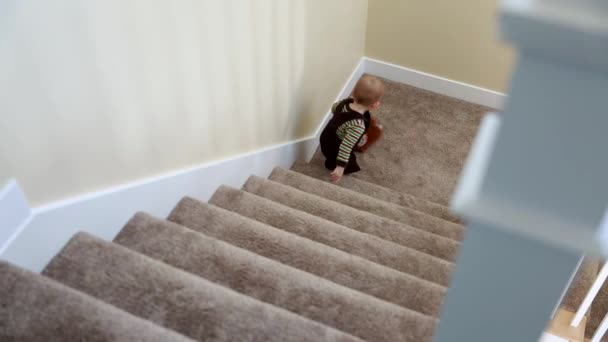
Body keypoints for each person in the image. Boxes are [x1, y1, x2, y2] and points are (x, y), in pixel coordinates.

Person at [320, 75, 385, 183]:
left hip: (327, 135)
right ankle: (332, 165)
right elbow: (345, 147)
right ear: (374, 105)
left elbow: (334, 108)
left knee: (346, 139)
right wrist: (340, 167)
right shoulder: (358, 125)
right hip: (334, 146)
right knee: (347, 161)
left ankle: (332, 159)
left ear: (353, 92)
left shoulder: (345, 103)